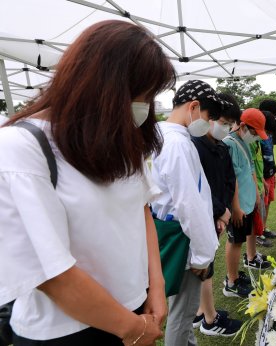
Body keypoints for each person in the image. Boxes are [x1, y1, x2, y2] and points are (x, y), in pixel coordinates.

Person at [0, 20, 175, 345]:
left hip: (136, 310)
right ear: (101, 86)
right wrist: (133, 329)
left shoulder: (121, 139)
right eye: (142, 94)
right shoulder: (20, 148)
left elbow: (142, 211)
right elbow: (52, 274)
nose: (146, 106)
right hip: (67, 331)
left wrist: (157, 288)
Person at [150, 80, 228, 345]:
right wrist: (201, 256)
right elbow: (188, 204)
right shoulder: (177, 144)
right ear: (193, 107)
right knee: (182, 316)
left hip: (174, 233)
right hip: (183, 238)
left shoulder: (162, 135)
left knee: (181, 314)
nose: (207, 124)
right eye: (208, 117)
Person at [190, 93, 243, 337]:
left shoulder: (219, 146)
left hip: (218, 215)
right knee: (204, 267)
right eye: (223, 121)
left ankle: (201, 311)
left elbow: (228, 179)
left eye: (230, 123)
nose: (226, 127)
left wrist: (226, 212)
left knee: (205, 264)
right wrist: (219, 212)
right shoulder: (194, 145)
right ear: (209, 117)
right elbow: (196, 187)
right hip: (204, 216)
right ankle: (209, 320)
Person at [222, 108, 270, 299]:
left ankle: (235, 276)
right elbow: (230, 178)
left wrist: (257, 194)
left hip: (248, 202)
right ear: (243, 126)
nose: (256, 137)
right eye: (254, 133)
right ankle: (231, 282)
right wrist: (235, 207)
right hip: (238, 206)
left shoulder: (243, 142)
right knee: (235, 241)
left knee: (240, 240)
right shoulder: (229, 144)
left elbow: (250, 168)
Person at [258, 103, 276, 240]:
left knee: (268, 202)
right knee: (261, 205)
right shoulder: (257, 135)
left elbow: (269, 153)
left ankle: (264, 228)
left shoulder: (268, 133)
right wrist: (262, 178)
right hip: (262, 176)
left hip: (270, 173)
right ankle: (258, 233)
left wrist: (274, 170)